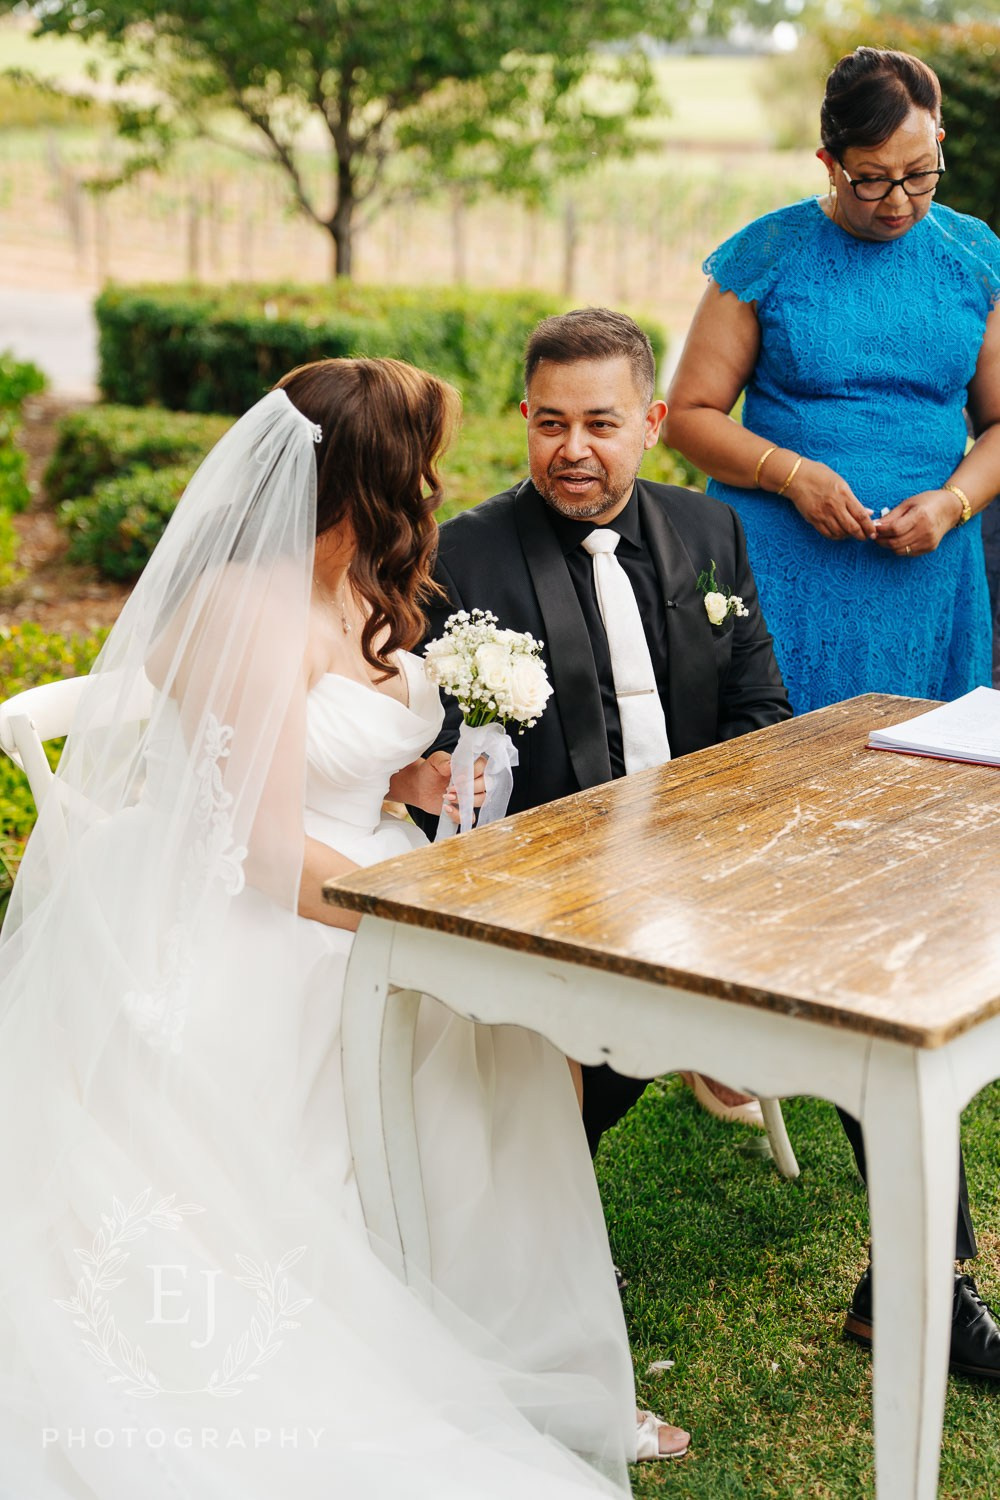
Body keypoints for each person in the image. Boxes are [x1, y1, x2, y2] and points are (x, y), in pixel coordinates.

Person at [0, 358, 684, 1499]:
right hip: (264, 909)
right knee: (478, 1030)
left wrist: (406, 778)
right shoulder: (249, 608)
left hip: (365, 864)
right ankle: (428, 1340)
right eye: (417, 461)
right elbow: (267, 852)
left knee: (516, 1042)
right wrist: (423, 925)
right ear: (367, 476)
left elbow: (333, 756)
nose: (431, 480)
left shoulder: (354, 576)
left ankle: (508, 1343)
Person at [665, 46, 1000, 1378]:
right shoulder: (769, 255)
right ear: (825, 163)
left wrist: (956, 500)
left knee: (906, 860)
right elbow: (689, 415)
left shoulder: (972, 256)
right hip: (786, 577)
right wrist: (791, 470)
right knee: (772, 834)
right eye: (874, 181)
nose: (901, 201)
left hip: (923, 583)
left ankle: (910, 1240)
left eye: (922, 175)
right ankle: (732, 1028)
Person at [417, 307, 792, 1161]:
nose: (573, 449)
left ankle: (930, 1258)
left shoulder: (710, 531)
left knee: (856, 974)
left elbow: (760, 708)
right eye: (551, 424)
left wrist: (706, 845)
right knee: (612, 1047)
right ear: (525, 419)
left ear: (652, 425)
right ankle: (558, 1187)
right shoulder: (463, 558)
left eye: (600, 424)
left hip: (708, 854)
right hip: (558, 886)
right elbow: (448, 749)